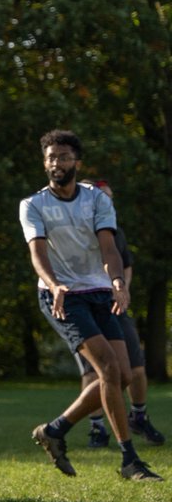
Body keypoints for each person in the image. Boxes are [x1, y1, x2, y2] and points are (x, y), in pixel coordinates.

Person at [20, 129, 161, 481]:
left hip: (99, 292)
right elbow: (38, 255)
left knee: (123, 375)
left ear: (77, 162)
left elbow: (109, 249)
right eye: (51, 158)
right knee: (109, 370)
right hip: (62, 297)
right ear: (44, 163)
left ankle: (54, 430)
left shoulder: (97, 199)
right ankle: (130, 460)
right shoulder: (33, 205)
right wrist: (54, 284)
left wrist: (117, 282)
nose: (57, 163)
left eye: (63, 157)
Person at [75, 180, 164, 449]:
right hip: (85, 306)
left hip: (114, 305)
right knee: (95, 372)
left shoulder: (114, 230)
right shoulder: (74, 230)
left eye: (110, 198)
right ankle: (97, 428)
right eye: (103, 198)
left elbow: (126, 265)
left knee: (135, 368)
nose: (108, 203)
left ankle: (138, 416)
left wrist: (121, 288)